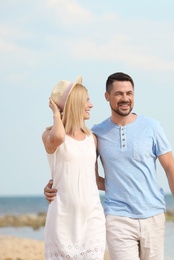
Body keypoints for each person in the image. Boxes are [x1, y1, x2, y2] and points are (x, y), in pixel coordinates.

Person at [45, 72, 174, 260]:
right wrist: (54, 185)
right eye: (119, 94)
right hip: (117, 217)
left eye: (129, 93)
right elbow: (85, 172)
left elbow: (171, 169)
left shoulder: (152, 127)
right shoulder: (97, 133)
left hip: (153, 214)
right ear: (107, 97)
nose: (125, 99)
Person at [42, 77, 106, 259]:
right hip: (62, 220)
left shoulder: (91, 138)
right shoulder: (49, 135)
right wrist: (56, 113)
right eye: (86, 100)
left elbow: (94, 179)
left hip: (92, 220)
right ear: (74, 103)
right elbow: (59, 137)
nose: (91, 105)